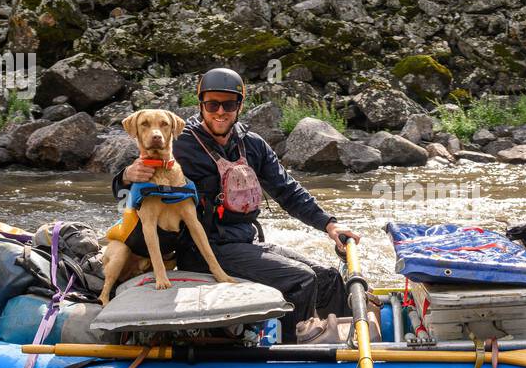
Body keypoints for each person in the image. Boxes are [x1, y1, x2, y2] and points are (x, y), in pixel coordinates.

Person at [112, 67, 360, 343]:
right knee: (300, 279)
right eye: (212, 104)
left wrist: (329, 223)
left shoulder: (253, 145)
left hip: (246, 242)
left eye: (228, 104)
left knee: (327, 278)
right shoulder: (179, 145)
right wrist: (125, 176)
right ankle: (291, 349)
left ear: (239, 106)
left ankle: (349, 345)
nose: (220, 111)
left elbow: (287, 190)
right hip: (204, 250)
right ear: (201, 104)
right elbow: (133, 180)